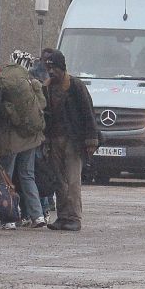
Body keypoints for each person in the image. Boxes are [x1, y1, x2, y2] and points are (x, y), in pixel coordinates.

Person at [0, 55, 48, 229]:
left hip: (11, 141)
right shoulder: (30, 83)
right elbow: (42, 104)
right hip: (30, 138)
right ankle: (38, 216)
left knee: (6, 177)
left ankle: (8, 218)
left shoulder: (0, 85)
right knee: (28, 175)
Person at [43, 51, 98, 231]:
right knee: (59, 180)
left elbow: (88, 113)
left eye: (54, 68)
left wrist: (91, 140)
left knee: (73, 180)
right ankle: (62, 216)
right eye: (49, 68)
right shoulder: (48, 88)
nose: (51, 72)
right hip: (54, 139)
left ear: (62, 68)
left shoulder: (75, 86)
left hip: (73, 140)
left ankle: (74, 217)